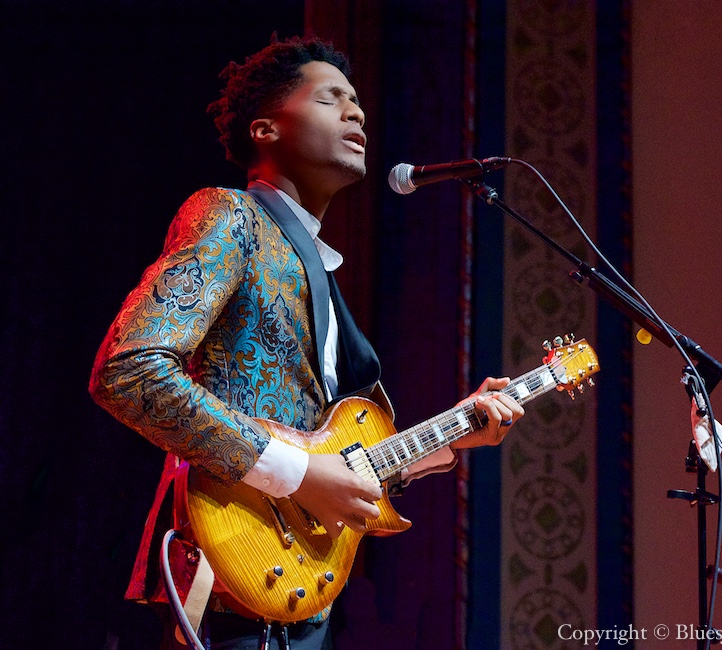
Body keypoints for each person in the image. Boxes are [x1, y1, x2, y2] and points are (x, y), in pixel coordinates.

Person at [89, 35, 523, 650]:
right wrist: (297, 475)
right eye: (331, 99)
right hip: (220, 577)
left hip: (290, 594)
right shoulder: (231, 217)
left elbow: (334, 456)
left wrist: (455, 434)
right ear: (266, 129)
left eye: (358, 103)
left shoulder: (313, 269)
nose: (357, 113)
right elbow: (130, 370)